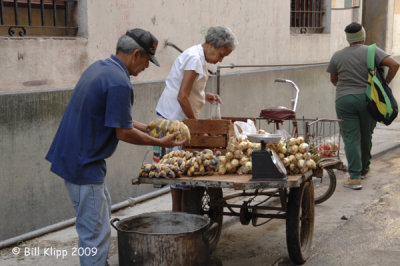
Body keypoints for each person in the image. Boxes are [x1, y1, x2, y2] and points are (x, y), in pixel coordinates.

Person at [45, 28, 186, 266]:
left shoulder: (100, 68)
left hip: (73, 158)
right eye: (146, 62)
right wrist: (159, 142)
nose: (145, 69)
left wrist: (150, 128)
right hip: (84, 165)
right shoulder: (120, 83)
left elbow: (116, 120)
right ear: (136, 54)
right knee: (95, 235)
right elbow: (122, 131)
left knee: (98, 220)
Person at [155, 26, 237, 211]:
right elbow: (182, 96)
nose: (220, 60)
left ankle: (183, 212)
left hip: (179, 117)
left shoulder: (197, 56)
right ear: (211, 44)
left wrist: (205, 95)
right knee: (177, 167)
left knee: (182, 166)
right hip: (174, 118)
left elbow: (188, 89)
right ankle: (178, 213)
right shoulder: (194, 58)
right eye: (221, 54)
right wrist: (196, 125)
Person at [327, 22, 399, 190]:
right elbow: (395, 65)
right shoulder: (371, 51)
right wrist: (384, 85)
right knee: (366, 134)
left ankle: (354, 177)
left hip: (344, 100)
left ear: (348, 38)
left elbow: (333, 79)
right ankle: (364, 169)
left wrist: (345, 86)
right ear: (363, 36)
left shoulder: (337, 55)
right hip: (369, 100)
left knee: (351, 137)